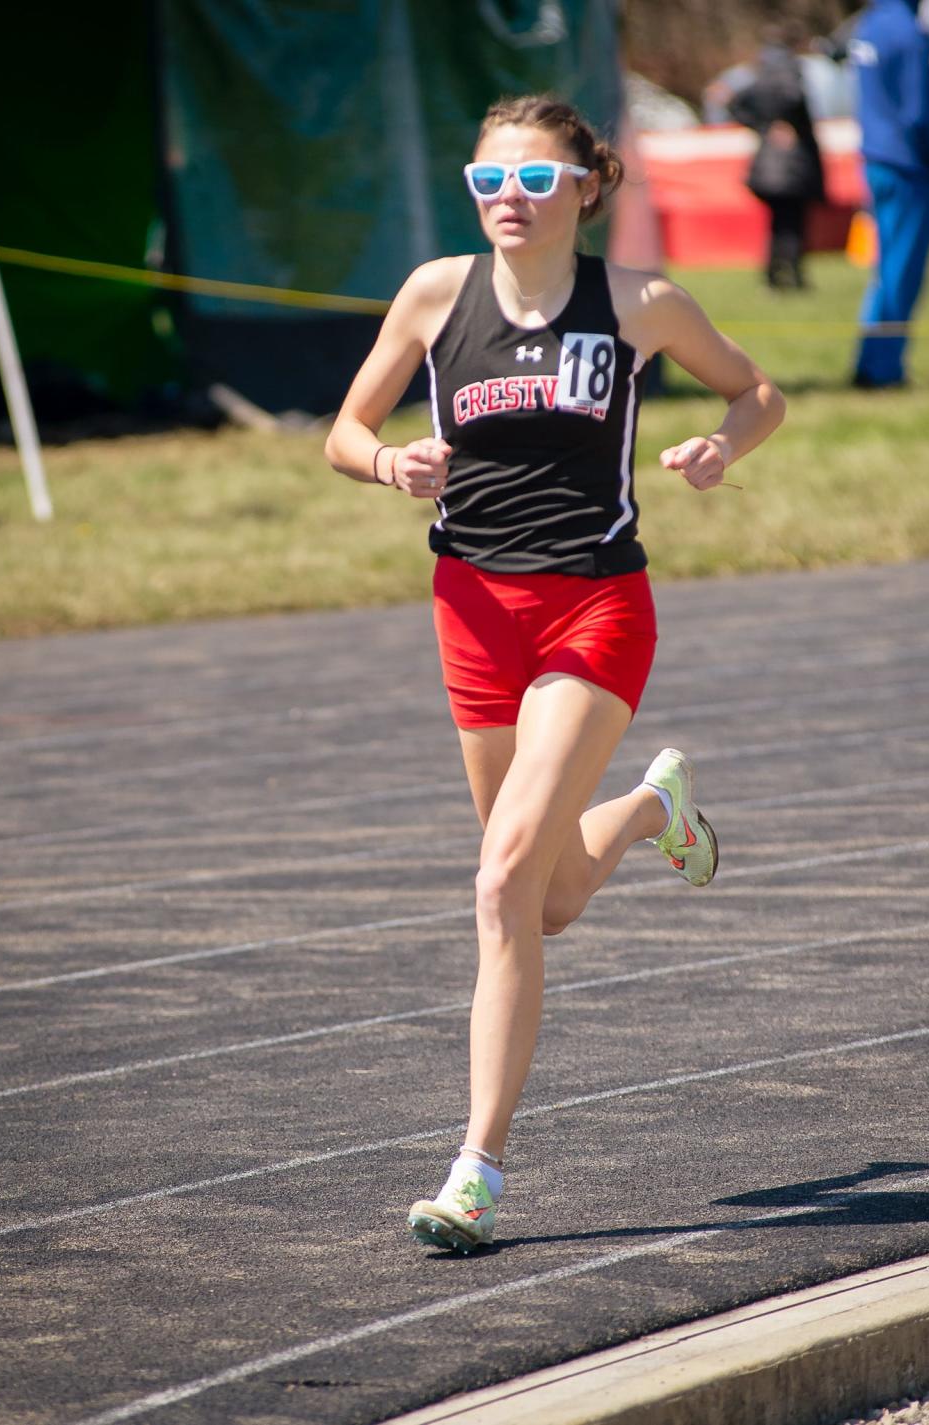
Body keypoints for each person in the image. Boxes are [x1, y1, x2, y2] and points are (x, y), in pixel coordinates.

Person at [324, 93, 786, 1253]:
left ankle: (474, 1170)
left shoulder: (639, 303)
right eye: (490, 183)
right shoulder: (437, 295)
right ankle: (648, 811)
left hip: (594, 609)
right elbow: (341, 429)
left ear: (588, 185)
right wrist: (388, 464)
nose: (510, 203)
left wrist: (721, 446)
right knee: (551, 898)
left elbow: (758, 389)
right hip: (472, 613)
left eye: (535, 181)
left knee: (496, 891)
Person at [849, 0, 929, 387]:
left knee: (888, 268)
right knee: (902, 270)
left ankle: (873, 360)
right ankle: (881, 368)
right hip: (907, 165)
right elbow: (918, 111)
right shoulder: (908, 31)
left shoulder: (870, 24)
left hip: (876, 159)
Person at [727, 23, 827, 290]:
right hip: (793, 165)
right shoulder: (790, 72)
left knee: (777, 224)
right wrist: (785, 123)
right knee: (793, 223)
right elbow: (793, 99)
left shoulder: (759, 74)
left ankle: (772, 274)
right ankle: (793, 277)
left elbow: (734, 103)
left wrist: (761, 126)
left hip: (767, 165)